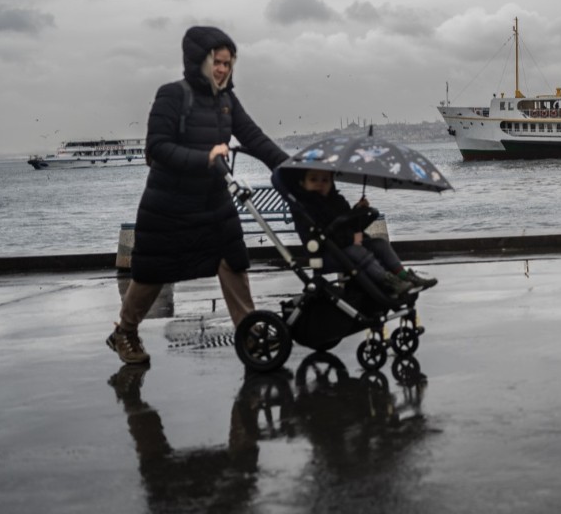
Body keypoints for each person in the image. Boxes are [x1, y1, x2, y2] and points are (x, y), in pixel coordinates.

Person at [108, 26, 291, 366]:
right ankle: (125, 330)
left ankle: (247, 329)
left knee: (233, 259)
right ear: (198, 61)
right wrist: (204, 157)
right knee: (152, 272)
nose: (223, 69)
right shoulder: (172, 95)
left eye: (228, 63)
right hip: (169, 203)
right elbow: (157, 148)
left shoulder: (226, 100)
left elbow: (253, 137)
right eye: (216, 62)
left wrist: (291, 167)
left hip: (213, 199)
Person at [289, 168, 437, 296]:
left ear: (332, 182)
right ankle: (388, 281)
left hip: (343, 244)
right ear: (302, 183)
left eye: (325, 180)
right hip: (326, 253)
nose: (320, 183)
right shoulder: (306, 208)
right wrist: (349, 232)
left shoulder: (337, 201)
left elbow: (350, 226)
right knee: (356, 250)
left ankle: (404, 276)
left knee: (380, 243)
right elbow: (331, 231)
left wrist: (358, 211)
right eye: (313, 179)